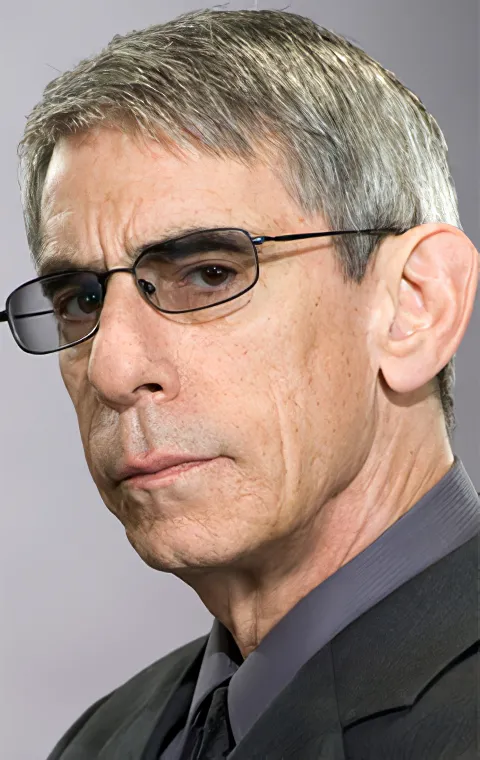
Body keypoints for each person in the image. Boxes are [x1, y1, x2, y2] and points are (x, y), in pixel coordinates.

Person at [2, 8, 478, 759]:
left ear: (415, 306)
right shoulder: (99, 742)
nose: (113, 370)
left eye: (208, 274)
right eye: (81, 301)